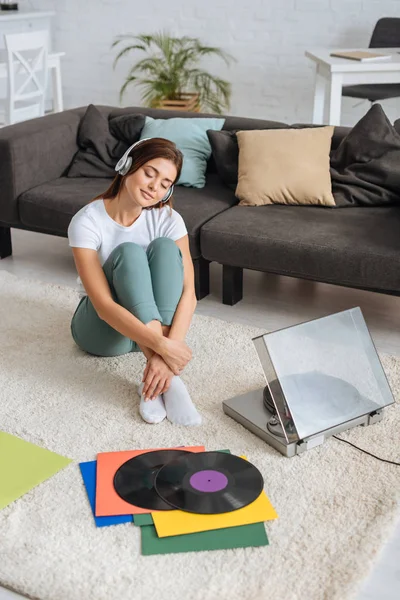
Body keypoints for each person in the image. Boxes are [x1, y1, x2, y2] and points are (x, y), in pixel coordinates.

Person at [67, 137, 201, 426]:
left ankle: (161, 382)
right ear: (126, 166)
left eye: (165, 183)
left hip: (143, 331)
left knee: (166, 248)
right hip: (103, 332)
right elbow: (102, 306)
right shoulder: (87, 221)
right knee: (129, 252)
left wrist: (165, 357)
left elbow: (189, 293)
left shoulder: (168, 219)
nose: (155, 187)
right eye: (149, 173)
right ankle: (168, 378)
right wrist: (165, 348)